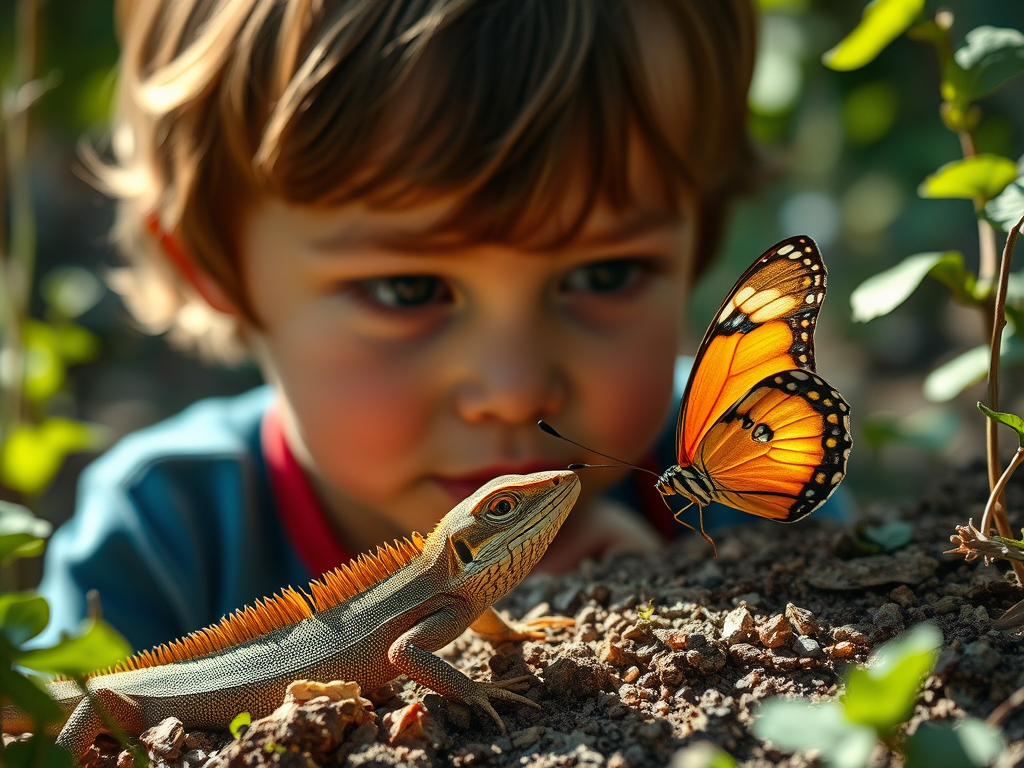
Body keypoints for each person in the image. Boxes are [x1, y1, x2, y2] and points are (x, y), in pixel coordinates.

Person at [37, 0, 759, 652]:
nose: (513, 390)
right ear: (215, 269)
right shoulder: (161, 537)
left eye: (604, 275)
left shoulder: (742, 464)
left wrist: (672, 583)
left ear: (701, 249)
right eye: (408, 288)